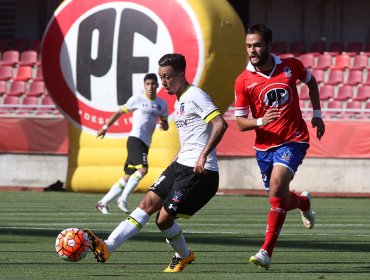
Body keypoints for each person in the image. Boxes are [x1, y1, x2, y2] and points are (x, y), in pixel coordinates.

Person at [84, 53, 228, 272]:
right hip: (180, 165)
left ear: (181, 74)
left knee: (162, 221)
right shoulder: (178, 100)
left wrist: (203, 154)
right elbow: (193, 134)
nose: (164, 83)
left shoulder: (196, 95)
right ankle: (107, 247)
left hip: (200, 172)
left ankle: (184, 256)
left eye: (168, 77)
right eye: (161, 77)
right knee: (145, 204)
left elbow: (220, 124)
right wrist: (180, 153)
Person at [234, 24, 325, 269]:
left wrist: (317, 113)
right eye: (248, 46)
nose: (252, 50)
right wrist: (262, 120)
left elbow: (311, 82)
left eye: (257, 45)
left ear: (269, 46)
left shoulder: (290, 66)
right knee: (279, 197)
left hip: (294, 139)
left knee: (276, 187)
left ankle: (266, 251)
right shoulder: (243, 81)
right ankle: (303, 203)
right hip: (264, 147)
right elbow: (241, 123)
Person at [95, 73, 169, 214]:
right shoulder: (137, 99)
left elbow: (165, 125)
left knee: (129, 175)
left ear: (157, 85)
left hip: (146, 144)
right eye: (148, 84)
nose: (151, 87)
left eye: (153, 84)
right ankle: (122, 199)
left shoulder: (161, 104)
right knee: (143, 169)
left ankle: (102, 203)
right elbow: (119, 113)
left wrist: (163, 124)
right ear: (144, 85)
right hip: (135, 139)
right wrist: (105, 128)